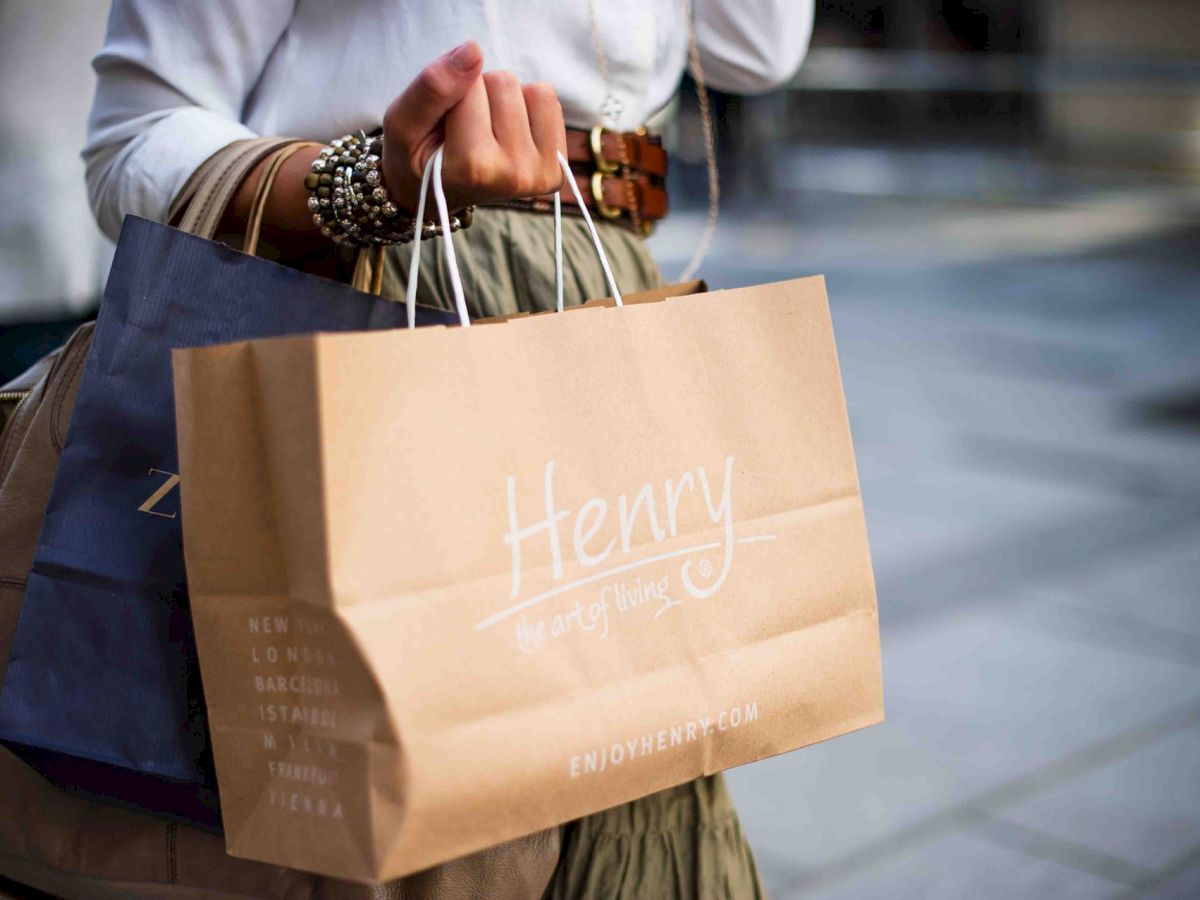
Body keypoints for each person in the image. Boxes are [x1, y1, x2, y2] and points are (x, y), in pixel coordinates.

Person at [76, 2, 815, 896]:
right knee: (403, 794)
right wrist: (373, 184)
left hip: (599, 304)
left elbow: (757, 49)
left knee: (635, 760)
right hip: (371, 297)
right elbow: (134, 138)